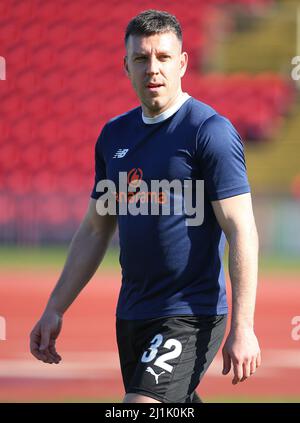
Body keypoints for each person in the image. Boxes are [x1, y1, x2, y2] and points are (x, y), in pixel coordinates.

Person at [30, 9, 261, 403]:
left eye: (164, 57)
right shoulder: (113, 136)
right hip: (133, 313)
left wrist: (244, 325)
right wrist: (55, 307)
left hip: (191, 312)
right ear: (126, 65)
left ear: (183, 63)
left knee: (141, 406)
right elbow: (95, 229)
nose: (153, 68)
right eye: (141, 58)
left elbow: (241, 228)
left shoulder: (209, 131)